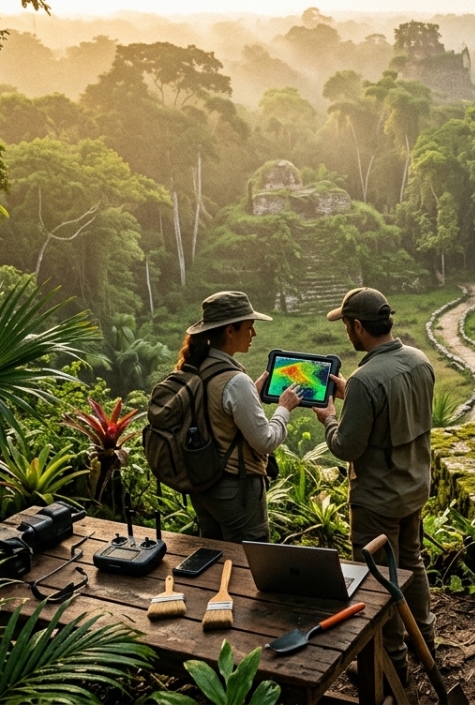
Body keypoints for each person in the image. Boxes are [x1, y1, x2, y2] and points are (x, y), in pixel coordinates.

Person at [312, 287, 435, 684]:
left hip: (377, 501)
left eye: (347, 324)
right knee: (412, 564)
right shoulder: (419, 360)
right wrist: (354, 398)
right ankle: (425, 644)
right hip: (415, 487)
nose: (346, 330)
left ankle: (392, 664)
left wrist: (330, 418)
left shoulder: (367, 380)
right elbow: (395, 414)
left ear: (359, 326)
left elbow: (347, 447)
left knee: (380, 581)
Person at [178, 291, 302, 543]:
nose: (253, 334)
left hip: (203, 484)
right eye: (249, 327)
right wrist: (284, 409)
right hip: (235, 488)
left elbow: (214, 415)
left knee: (213, 553)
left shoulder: (196, 367)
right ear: (229, 331)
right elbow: (265, 441)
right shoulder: (235, 382)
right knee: (248, 560)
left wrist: (251, 394)